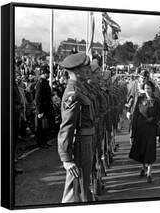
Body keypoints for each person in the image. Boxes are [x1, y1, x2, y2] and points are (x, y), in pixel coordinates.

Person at [58, 52, 95, 203]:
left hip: (87, 141)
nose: (88, 70)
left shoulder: (81, 89)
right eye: (85, 67)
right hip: (80, 144)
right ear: (77, 71)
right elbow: (66, 126)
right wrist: (66, 158)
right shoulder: (73, 93)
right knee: (74, 191)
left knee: (83, 187)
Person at [129, 80, 160, 183]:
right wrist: (132, 132)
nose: (147, 90)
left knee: (150, 150)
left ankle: (149, 172)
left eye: (149, 88)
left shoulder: (156, 101)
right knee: (141, 149)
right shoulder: (139, 99)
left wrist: (154, 119)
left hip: (151, 129)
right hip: (141, 128)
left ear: (152, 89)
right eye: (145, 88)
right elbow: (135, 115)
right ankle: (143, 167)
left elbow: (159, 116)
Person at [35, 64, 53, 149]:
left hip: (46, 108)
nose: (48, 74)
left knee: (45, 126)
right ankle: (41, 142)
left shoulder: (45, 82)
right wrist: (39, 111)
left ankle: (44, 141)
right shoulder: (41, 83)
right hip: (43, 108)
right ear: (43, 73)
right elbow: (38, 98)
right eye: (46, 73)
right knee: (42, 127)